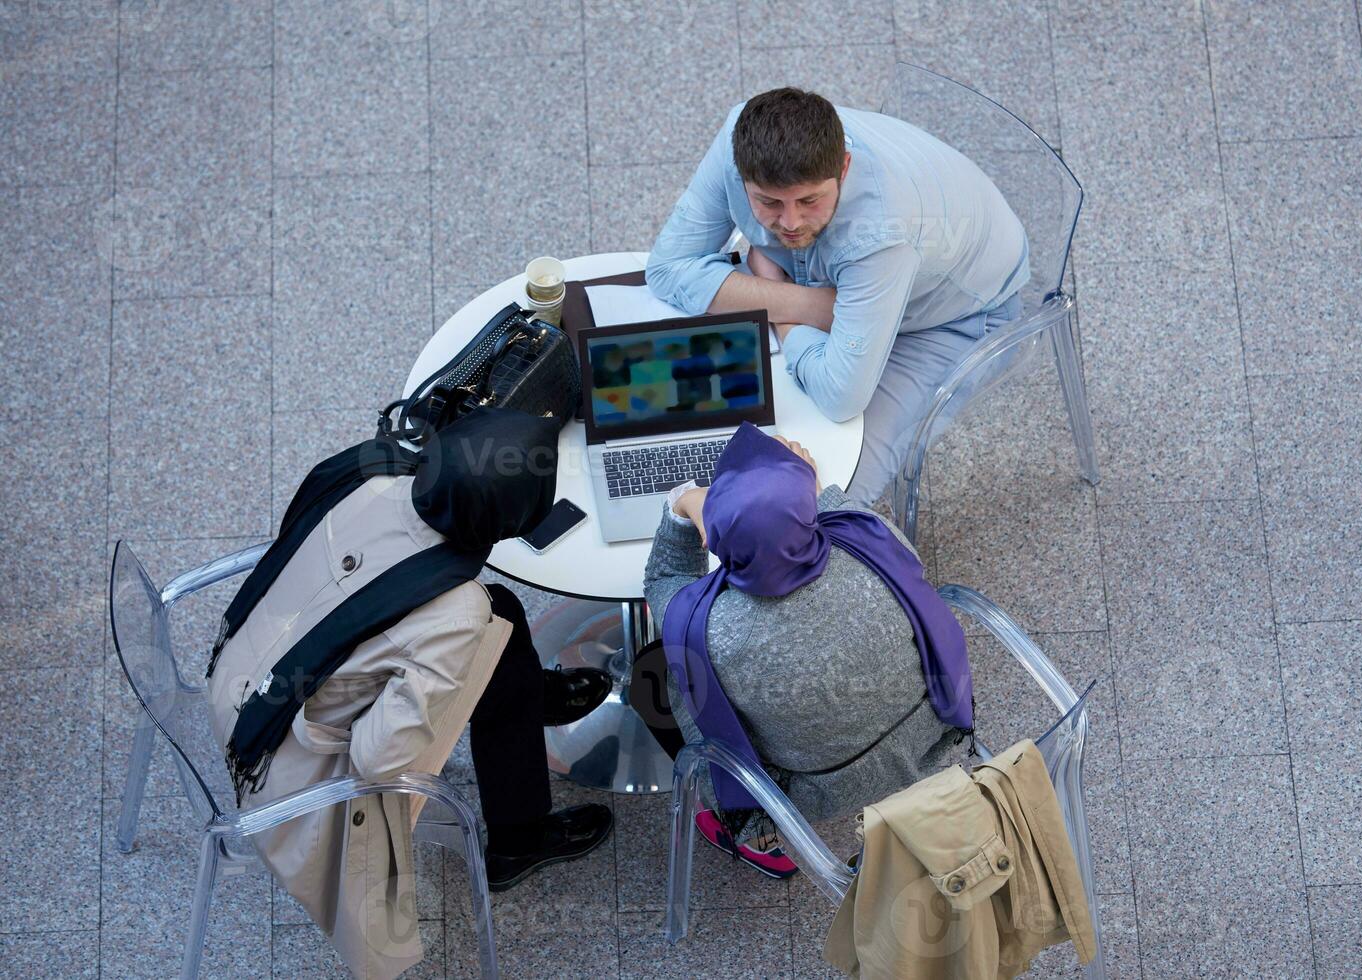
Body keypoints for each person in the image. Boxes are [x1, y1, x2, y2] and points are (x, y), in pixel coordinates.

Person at [205, 408, 613, 980]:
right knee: (480, 618)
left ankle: (525, 701)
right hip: (288, 767)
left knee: (505, 613)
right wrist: (416, 694)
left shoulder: (377, 474)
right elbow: (378, 760)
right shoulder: (453, 613)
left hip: (239, 675)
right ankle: (518, 840)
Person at [645, 87, 1030, 504]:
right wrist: (809, 304)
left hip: (953, 316)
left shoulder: (883, 232)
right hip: (830, 281)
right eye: (768, 201)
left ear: (844, 168)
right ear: (740, 173)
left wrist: (780, 309)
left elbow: (840, 396)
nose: (789, 222)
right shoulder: (738, 136)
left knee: (829, 495)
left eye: (809, 200)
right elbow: (665, 268)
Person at [636, 423, 973, 878]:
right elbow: (845, 514)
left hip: (813, 791)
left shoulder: (710, 631)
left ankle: (756, 830)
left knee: (650, 673)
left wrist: (684, 502)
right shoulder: (875, 540)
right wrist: (796, 484)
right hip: (926, 737)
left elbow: (662, 581)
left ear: (715, 538)